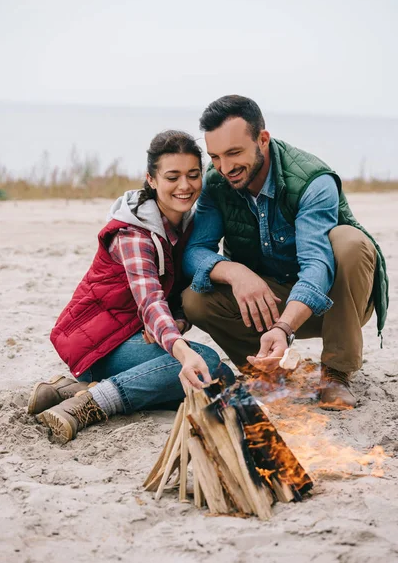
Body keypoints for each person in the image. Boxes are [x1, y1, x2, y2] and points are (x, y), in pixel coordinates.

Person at [182, 95, 388, 411]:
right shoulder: (216, 181)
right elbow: (195, 251)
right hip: (270, 298)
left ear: (262, 140)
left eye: (234, 153)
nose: (225, 168)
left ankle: (336, 372)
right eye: (216, 156)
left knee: (350, 243)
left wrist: (284, 328)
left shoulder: (311, 180)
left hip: (338, 302)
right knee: (194, 298)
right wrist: (236, 273)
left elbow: (317, 264)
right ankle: (265, 369)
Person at [28, 130, 232, 443]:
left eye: (193, 175)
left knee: (222, 380)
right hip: (98, 345)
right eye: (172, 176)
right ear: (151, 179)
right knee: (205, 361)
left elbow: (179, 294)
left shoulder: (187, 224)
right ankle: (89, 404)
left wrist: (177, 322)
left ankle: (71, 390)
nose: (185, 186)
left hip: (133, 336)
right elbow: (150, 300)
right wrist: (180, 348)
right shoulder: (134, 233)